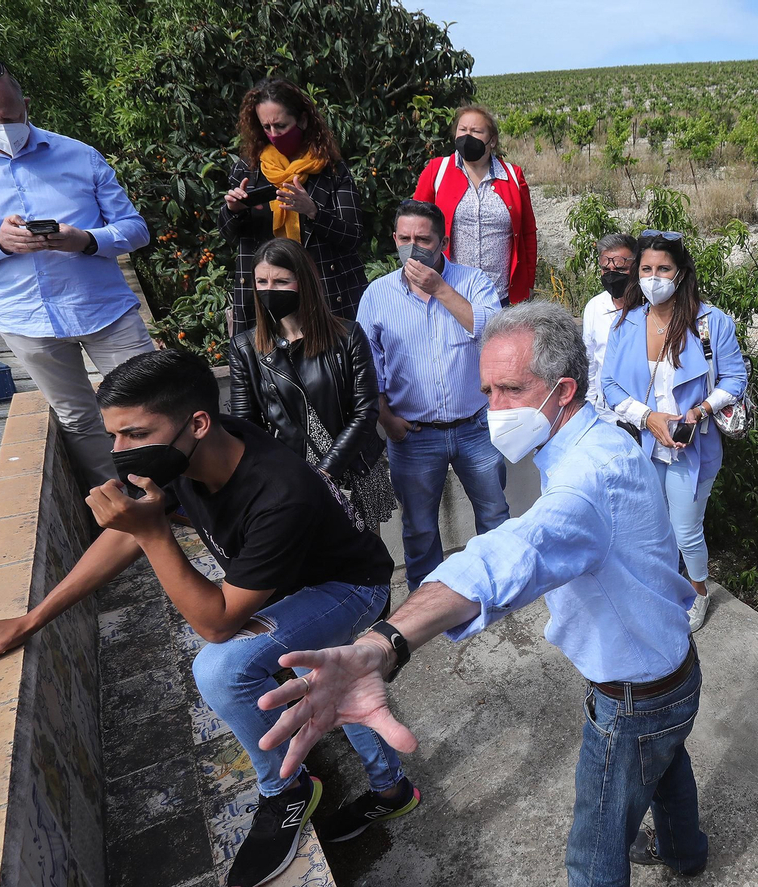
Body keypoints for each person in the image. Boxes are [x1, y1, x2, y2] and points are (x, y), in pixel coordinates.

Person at [0, 349, 419, 887]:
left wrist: (153, 532)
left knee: (223, 669)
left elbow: (216, 623)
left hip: (347, 589)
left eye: (135, 434)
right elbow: (124, 535)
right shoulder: (193, 452)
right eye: (113, 435)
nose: (119, 451)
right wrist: (26, 621)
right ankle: (392, 791)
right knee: (326, 686)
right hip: (287, 586)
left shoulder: (278, 492)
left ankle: (289, 789)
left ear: (197, 423)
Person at [254, 302, 709, 887]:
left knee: (593, 852)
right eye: (487, 391)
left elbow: (508, 554)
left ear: (563, 390)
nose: (494, 409)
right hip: (671, 669)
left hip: (634, 698)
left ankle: (671, 854)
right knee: (666, 764)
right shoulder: (597, 439)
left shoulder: (585, 481)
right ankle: (684, 852)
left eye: (511, 390)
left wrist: (385, 642)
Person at [0, 55, 155, 486]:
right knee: (78, 419)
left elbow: (135, 230)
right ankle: (118, 504)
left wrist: (85, 239)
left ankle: (174, 495)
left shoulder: (79, 154)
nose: (3, 125)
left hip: (105, 309)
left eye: (11, 115)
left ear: (25, 103)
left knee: (151, 404)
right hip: (25, 318)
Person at [356, 200, 508, 588]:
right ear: (394, 239)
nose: (413, 247)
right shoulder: (377, 295)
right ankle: (430, 601)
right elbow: (368, 368)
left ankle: (501, 589)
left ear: (442, 242)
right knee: (420, 529)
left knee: (494, 515)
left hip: (476, 428)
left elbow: (494, 331)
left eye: (423, 239)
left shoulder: (473, 282)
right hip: (414, 436)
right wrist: (387, 419)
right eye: (404, 238)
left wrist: (440, 289)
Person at [600, 232, 747, 632]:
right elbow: (609, 384)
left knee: (685, 528)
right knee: (653, 525)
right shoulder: (627, 323)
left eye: (663, 269)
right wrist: (647, 417)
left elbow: (735, 378)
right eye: (646, 269)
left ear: (680, 273)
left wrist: (700, 410)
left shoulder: (710, 323)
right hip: (648, 445)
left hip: (692, 446)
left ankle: (698, 593)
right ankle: (664, 587)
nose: (654, 278)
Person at [228, 237, 394, 531]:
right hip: (292, 481)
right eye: (262, 282)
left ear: (303, 281)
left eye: (281, 281)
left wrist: (325, 472)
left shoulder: (347, 336)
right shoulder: (246, 348)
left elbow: (365, 411)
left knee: (366, 554)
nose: (269, 290)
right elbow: (245, 427)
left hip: (353, 470)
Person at [221, 77, 363, 331]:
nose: (274, 134)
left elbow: (353, 236)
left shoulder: (331, 169)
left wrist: (313, 211)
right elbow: (229, 236)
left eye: (281, 126)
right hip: (265, 298)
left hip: (324, 294)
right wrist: (234, 211)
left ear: (303, 120)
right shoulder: (248, 169)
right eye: (266, 127)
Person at [411, 105, 537, 306]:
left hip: (500, 296)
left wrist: (528, 282)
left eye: (476, 131)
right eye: (462, 130)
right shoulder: (437, 171)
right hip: (449, 293)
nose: (467, 136)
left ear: (492, 140)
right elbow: (415, 227)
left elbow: (528, 233)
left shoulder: (513, 176)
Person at [580, 233, 637, 429]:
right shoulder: (595, 307)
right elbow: (590, 360)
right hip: (605, 414)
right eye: (606, 269)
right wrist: (588, 406)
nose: (612, 275)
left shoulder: (650, 308)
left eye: (620, 269)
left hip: (644, 412)